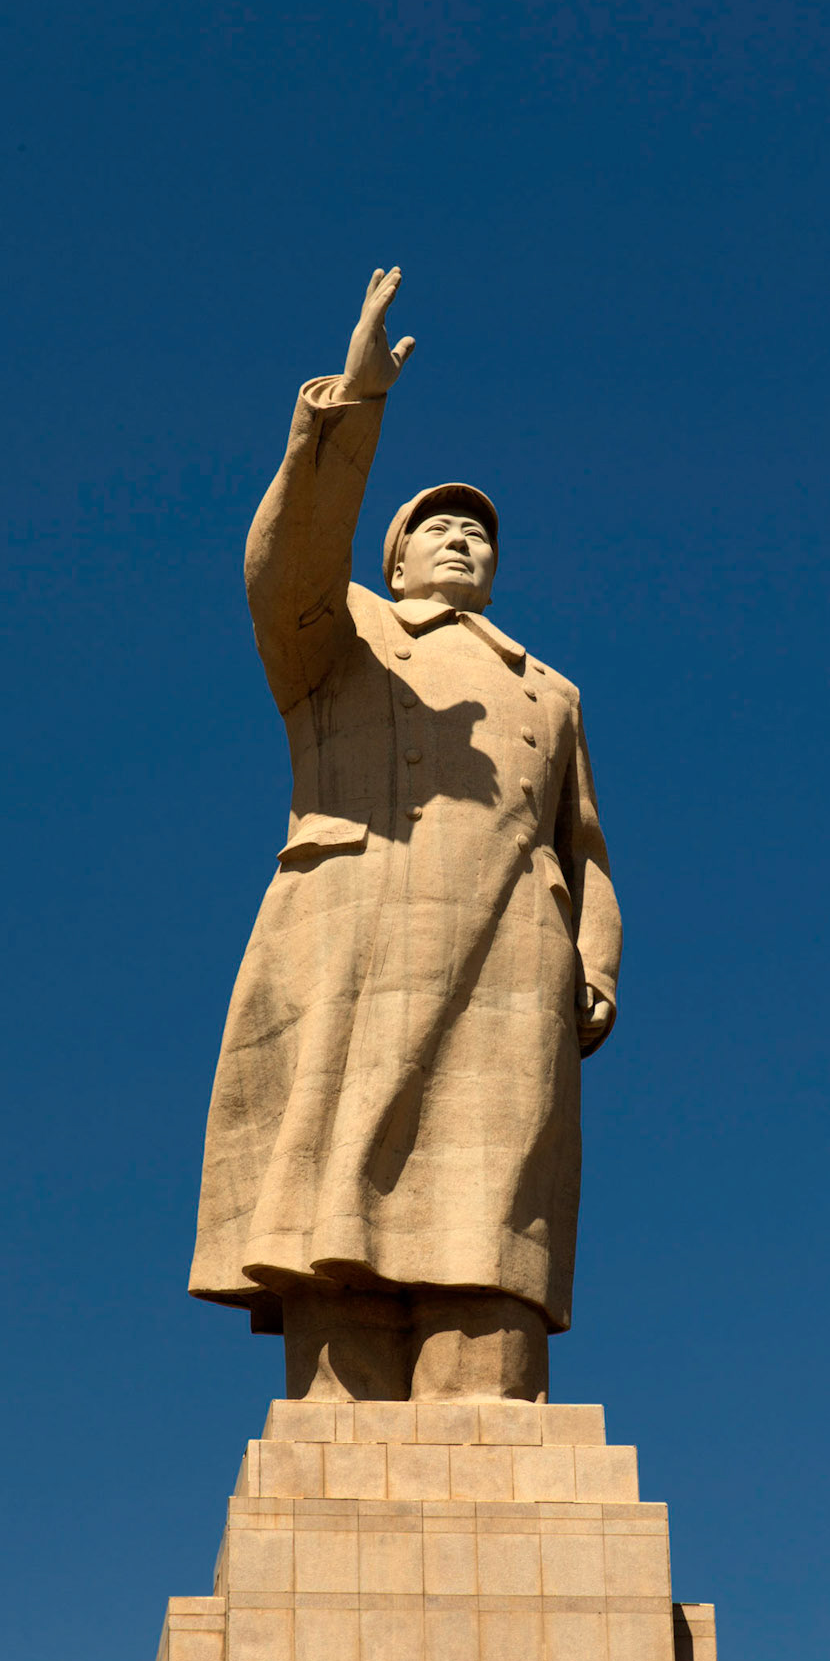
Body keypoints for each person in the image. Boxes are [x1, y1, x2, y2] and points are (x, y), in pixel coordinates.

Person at [188, 268, 621, 1402]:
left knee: (495, 1189)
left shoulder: (553, 691)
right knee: (340, 1189)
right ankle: (342, 1403)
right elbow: (284, 563)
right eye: (438, 523)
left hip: (511, 957)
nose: (463, 539)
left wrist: (596, 962)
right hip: (362, 933)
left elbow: (590, 854)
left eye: (479, 531)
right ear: (389, 555)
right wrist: (354, 408)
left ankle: (486, 1389)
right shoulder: (344, 635)